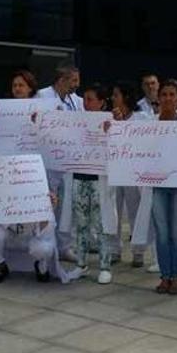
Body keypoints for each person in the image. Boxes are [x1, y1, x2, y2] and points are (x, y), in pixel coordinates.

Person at [133, 79, 177, 294]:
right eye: (164, 94)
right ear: (158, 98)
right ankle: (165, 276)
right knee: (162, 232)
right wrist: (113, 125)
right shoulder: (149, 124)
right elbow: (130, 140)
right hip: (157, 186)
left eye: (172, 95)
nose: (167, 98)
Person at [59, 83, 118, 284]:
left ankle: (104, 265)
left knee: (100, 224)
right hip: (78, 178)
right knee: (81, 224)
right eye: (84, 98)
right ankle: (81, 264)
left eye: (91, 99)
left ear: (102, 102)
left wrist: (114, 127)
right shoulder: (75, 121)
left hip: (99, 181)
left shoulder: (110, 121)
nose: (86, 103)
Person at [36, 64, 83, 262]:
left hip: (68, 160)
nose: (76, 85)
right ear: (62, 80)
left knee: (67, 206)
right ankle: (48, 244)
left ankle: (65, 246)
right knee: (49, 204)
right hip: (48, 159)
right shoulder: (42, 96)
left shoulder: (76, 100)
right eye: (74, 81)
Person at [110, 81, 149, 267]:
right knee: (114, 212)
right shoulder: (109, 118)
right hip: (114, 171)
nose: (113, 98)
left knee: (135, 212)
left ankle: (138, 251)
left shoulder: (142, 117)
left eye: (116, 95)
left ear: (125, 97)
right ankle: (114, 249)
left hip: (133, 172)